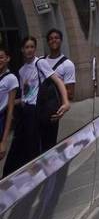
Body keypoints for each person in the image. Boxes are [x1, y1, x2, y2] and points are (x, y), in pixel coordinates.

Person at [2, 36, 70, 178]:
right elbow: (25, 95)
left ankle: (39, 176)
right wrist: (11, 102)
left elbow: (57, 81)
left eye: (32, 47)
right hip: (25, 111)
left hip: (37, 110)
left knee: (35, 146)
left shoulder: (40, 63)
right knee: (20, 145)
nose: (30, 50)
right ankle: (13, 176)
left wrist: (65, 102)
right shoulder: (21, 71)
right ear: (22, 50)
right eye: (27, 47)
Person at [40, 29, 75, 152]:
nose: (53, 40)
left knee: (48, 144)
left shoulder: (68, 64)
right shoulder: (41, 61)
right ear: (48, 42)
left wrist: (59, 107)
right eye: (50, 38)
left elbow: (70, 92)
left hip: (52, 109)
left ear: (61, 41)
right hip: (38, 107)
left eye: (56, 38)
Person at [0, 45, 16, 166]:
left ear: (7, 59)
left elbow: (10, 111)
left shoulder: (11, 79)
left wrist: (4, 142)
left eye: (1, 57)